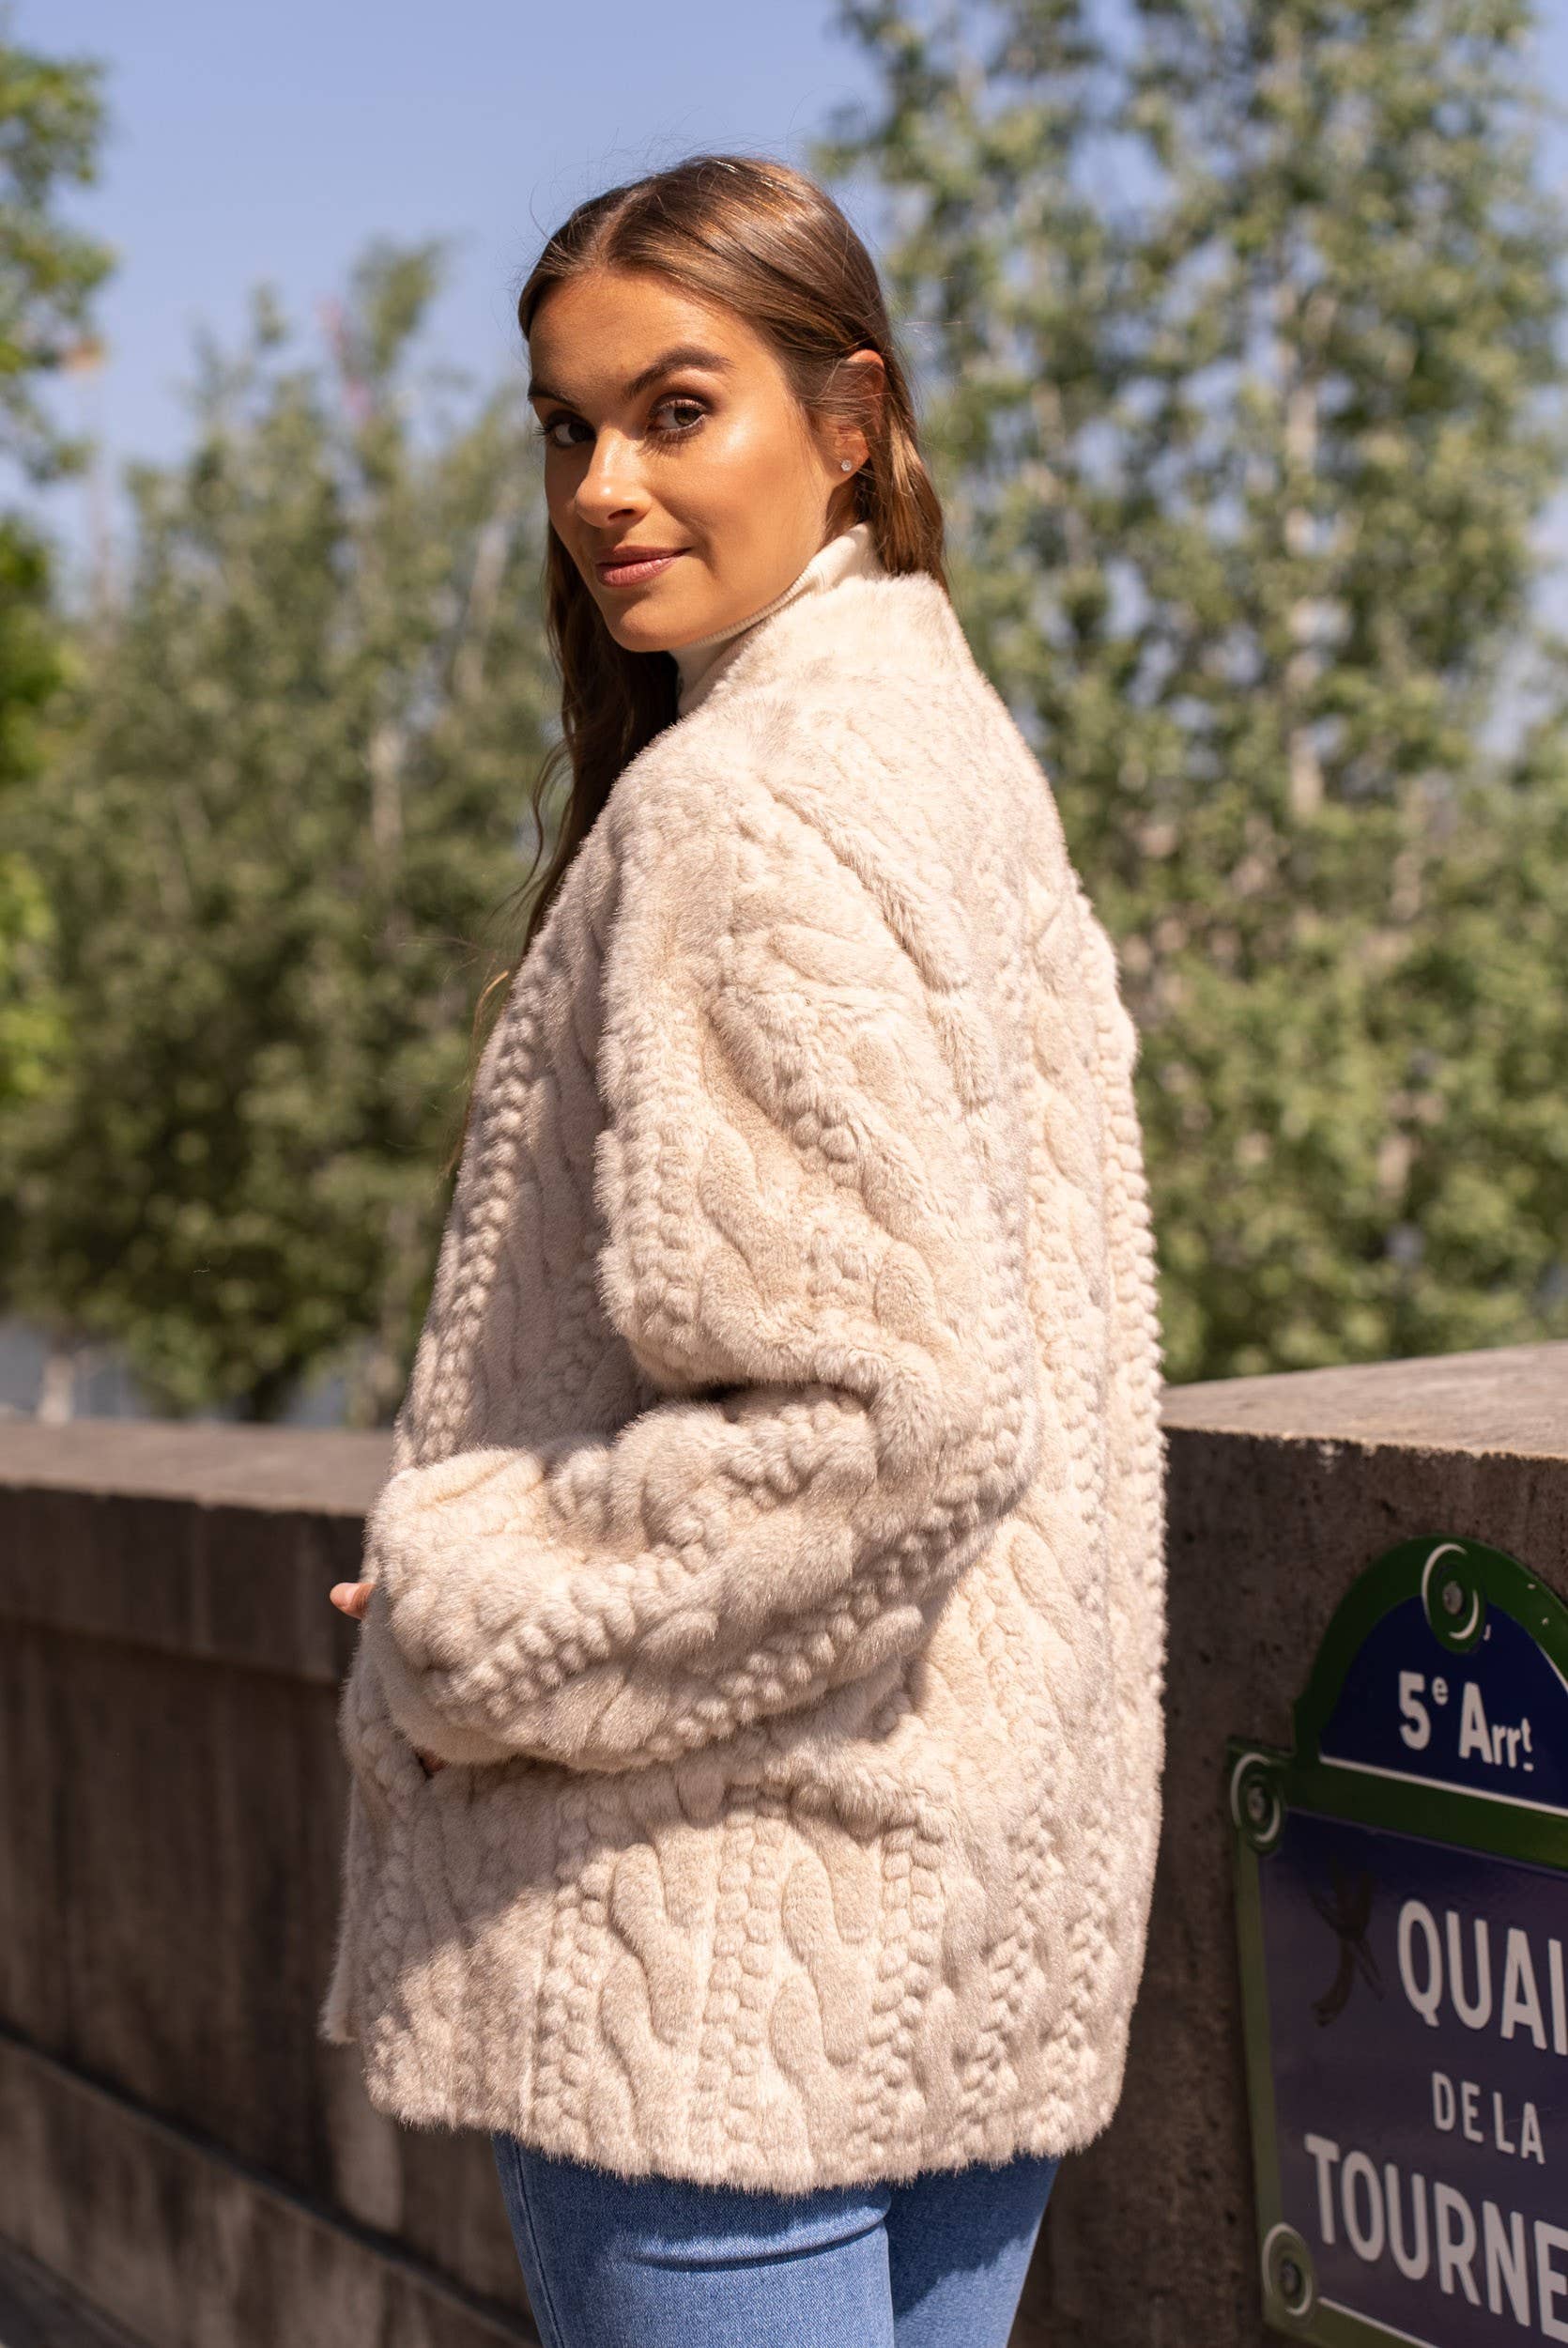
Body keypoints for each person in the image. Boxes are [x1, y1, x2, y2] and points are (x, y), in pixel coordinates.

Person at [319, 150, 1167, 2348]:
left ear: (848, 417)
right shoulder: (947, 753)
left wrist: (486, 1593)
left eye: (674, 410)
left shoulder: (737, 803)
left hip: (714, 1934)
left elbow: (886, 1419)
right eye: (564, 428)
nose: (601, 487)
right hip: (961, 1892)